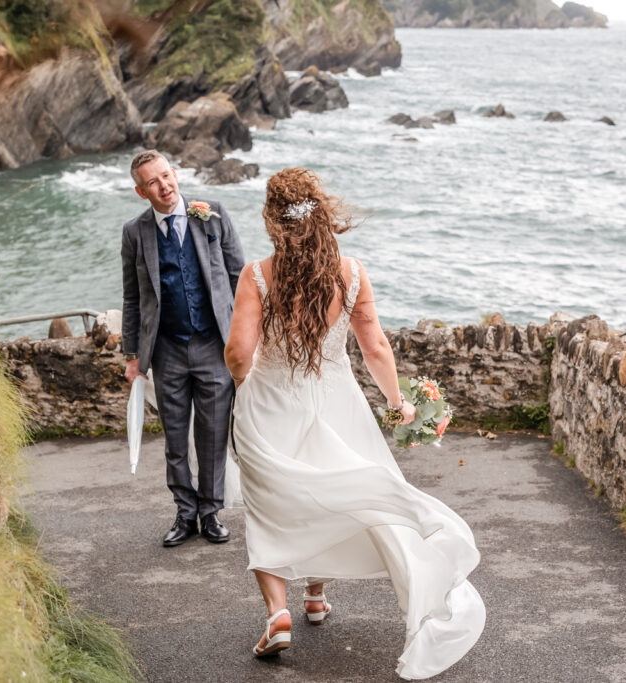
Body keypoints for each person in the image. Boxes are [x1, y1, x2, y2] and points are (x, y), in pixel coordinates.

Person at [224, 168, 485, 679]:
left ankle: (279, 613)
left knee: (274, 500)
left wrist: (245, 383)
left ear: (273, 220)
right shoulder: (352, 272)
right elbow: (375, 347)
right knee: (335, 492)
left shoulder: (258, 274)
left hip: (271, 400)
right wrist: (398, 405)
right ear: (321, 212)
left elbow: (237, 352)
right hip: (336, 400)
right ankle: (316, 596)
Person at [121, 150, 245, 547]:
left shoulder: (213, 213)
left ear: (175, 173)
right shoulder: (134, 232)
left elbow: (238, 276)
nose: (165, 186)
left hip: (214, 344)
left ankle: (210, 513)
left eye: (167, 176)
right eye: (153, 182)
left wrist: (245, 340)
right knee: (175, 438)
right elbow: (132, 298)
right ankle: (184, 512)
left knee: (212, 433)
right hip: (167, 349)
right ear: (142, 191)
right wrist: (133, 355)